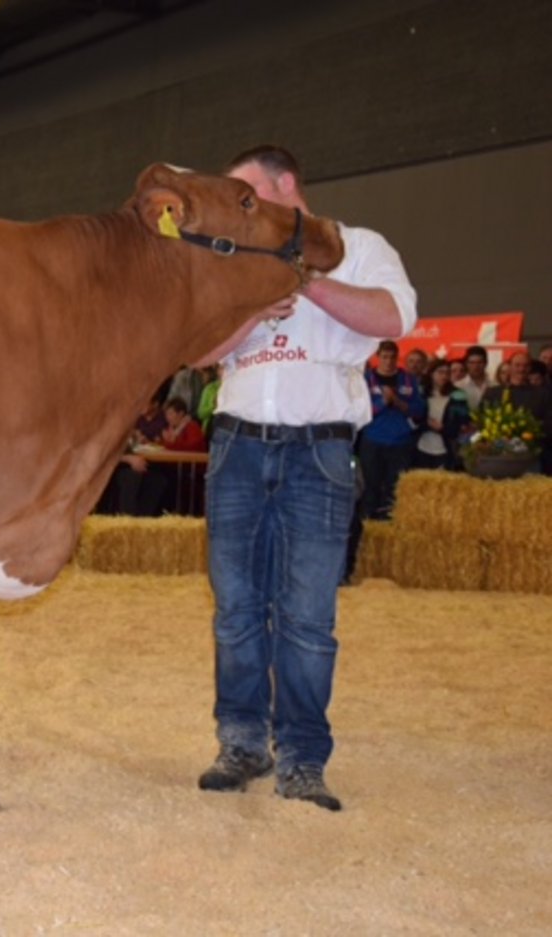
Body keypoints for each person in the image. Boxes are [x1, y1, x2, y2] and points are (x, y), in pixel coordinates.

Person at [197, 145, 418, 812]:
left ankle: (301, 756)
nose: (241, 208)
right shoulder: (230, 256)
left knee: (307, 616)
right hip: (236, 442)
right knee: (235, 608)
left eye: (247, 194)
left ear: (285, 184)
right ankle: (241, 742)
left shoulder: (359, 246)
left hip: (319, 450)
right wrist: (249, 312)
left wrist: (304, 282)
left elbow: (394, 317)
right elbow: (193, 349)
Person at [359, 339, 426, 518]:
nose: (388, 361)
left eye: (392, 357)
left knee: (395, 487)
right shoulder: (366, 380)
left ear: (397, 358)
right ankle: (368, 524)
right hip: (373, 440)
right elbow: (360, 411)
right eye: (384, 357)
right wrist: (383, 402)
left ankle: (391, 525)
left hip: (400, 442)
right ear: (377, 357)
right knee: (371, 486)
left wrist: (398, 402)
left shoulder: (408, 380)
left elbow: (419, 411)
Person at [414, 359, 470, 470]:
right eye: (440, 372)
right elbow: (413, 416)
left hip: (447, 446)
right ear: (431, 374)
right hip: (421, 445)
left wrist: (442, 428)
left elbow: (463, 422)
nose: (444, 376)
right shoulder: (421, 392)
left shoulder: (458, 395)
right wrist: (427, 424)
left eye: (447, 373)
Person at [455, 345, 495, 411]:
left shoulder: (494, 385)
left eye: (479, 362)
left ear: (485, 363)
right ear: (466, 364)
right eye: (471, 363)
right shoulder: (458, 387)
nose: (476, 367)